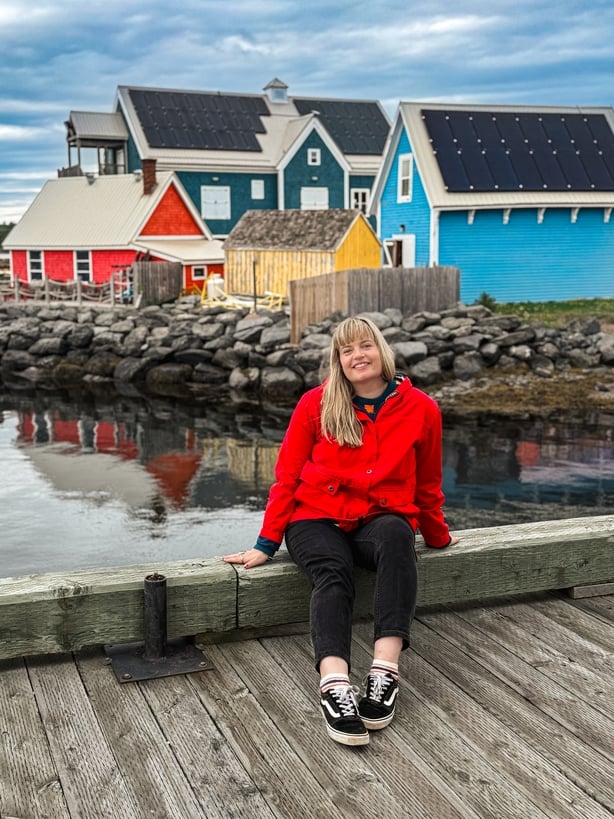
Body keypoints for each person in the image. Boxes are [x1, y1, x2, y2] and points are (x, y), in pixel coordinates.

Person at [223, 315, 457, 747]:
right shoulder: (316, 403)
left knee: (397, 538)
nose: (357, 356)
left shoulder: (422, 408)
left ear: (381, 351)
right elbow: (287, 477)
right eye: (346, 350)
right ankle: (335, 686)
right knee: (333, 571)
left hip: (379, 517)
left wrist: (437, 536)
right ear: (338, 360)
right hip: (314, 517)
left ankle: (384, 673)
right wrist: (265, 544)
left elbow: (427, 484)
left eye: (364, 346)